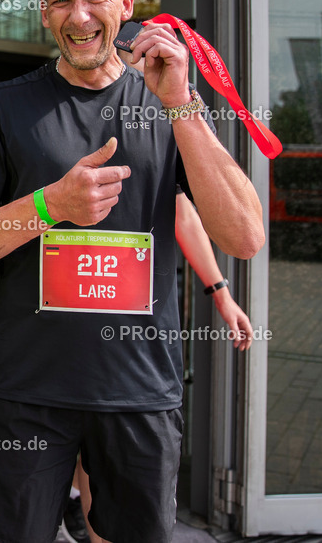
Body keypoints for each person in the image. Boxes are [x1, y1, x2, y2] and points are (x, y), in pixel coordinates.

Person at [0, 0, 264, 543]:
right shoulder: (6, 107)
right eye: (60, 2)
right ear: (43, 13)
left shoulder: (168, 100)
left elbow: (244, 236)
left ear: (126, 3)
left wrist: (182, 104)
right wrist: (49, 204)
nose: (78, 16)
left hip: (139, 391)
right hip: (29, 389)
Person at [61, 191, 254, 543]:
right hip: (63, 306)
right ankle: (76, 496)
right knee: (85, 425)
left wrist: (222, 294)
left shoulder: (162, 135)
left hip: (134, 321)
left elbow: (184, 216)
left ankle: (79, 495)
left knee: (110, 436)